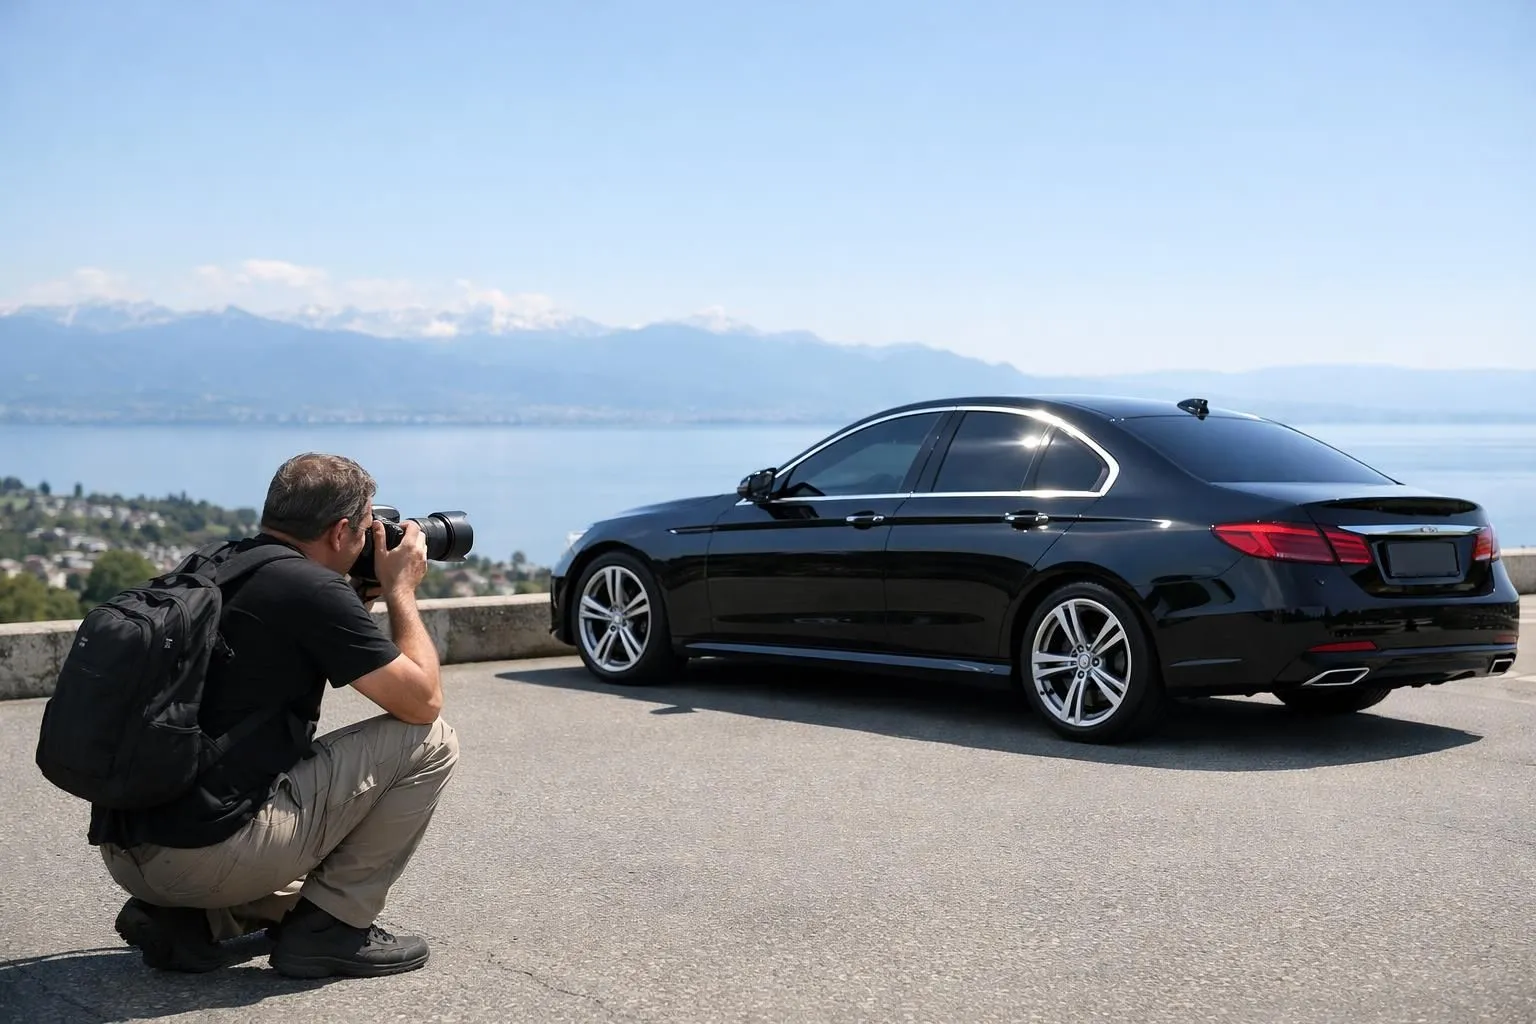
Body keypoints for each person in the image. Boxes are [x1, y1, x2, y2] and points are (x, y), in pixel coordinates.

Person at [91, 452, 460, 978]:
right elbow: (421, 700)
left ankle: (192, 922)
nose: (370, 537)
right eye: (365, 527)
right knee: (431, 739)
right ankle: (331, 931)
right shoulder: (310, 591)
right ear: (338, 532)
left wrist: (361, 598)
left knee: (283, 854)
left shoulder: (216, 561)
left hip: (132, 849)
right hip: (203, 859)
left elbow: (308, 638)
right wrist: (401, 590)